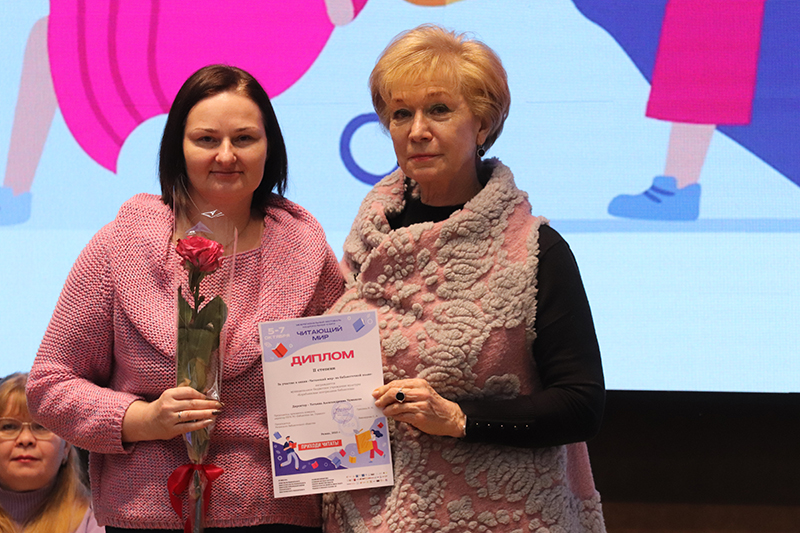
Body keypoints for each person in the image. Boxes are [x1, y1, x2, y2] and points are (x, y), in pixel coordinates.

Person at [26, 65, 344, 532]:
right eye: (206, 139)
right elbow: (48, 386)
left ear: (270, 147)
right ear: (178, 147)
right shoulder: (119, 246)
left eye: (245, 138)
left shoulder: (307, 252)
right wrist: (141, 419)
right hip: (145, 517)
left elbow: (343, 388)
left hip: (278, 516)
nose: (226, 155)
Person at [323, 25, 606, 532]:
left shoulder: (536, 250)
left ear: (482, 125)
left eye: (439, 110)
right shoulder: (366, 243)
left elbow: (580, 404)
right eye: (401, 114)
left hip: (507, 516)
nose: (416, 130)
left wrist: (458, 417)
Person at [0, 372, 104, 533]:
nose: (26, 439)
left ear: (66, 446)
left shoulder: (99, 520)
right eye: (9, 427)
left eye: (41, 427)